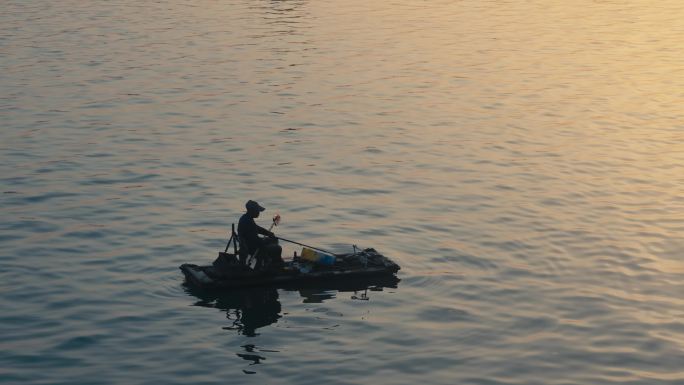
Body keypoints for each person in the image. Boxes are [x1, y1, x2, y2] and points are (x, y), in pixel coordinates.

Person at [237, 200, 283, 271]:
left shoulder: (246, 218)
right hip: (252, 250)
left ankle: (268, 261)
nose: (259, 213)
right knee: (278, 248)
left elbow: (257, 228)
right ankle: (270, 264)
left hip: (250, 245)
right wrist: (264, 241)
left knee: (273, 240)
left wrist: (268, 233)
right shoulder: (247, 221)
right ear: (252, 211)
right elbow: (256, 241)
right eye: (257, 211)